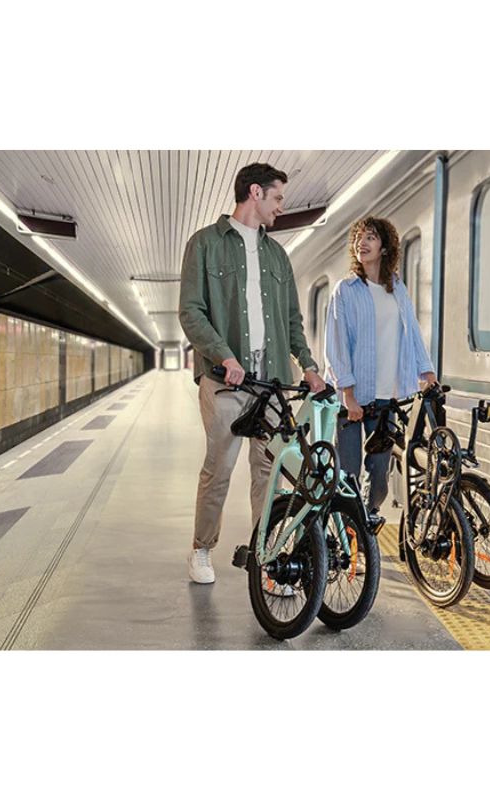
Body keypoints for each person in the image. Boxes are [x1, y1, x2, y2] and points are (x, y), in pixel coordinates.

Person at [179, 162, 326, 584]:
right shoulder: (205, 244)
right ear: (256, 193)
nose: (282, 207)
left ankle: (267, 553)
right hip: (225, 379)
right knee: (219, 467)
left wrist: (309, 366)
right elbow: (191, 310)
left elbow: (293, 320)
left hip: (273, 380)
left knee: (270, 470)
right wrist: (224, 355)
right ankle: (202, 549)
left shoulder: (278, 255)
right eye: (278, 197)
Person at [324, 216, 436, 524]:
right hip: (354, 398)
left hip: (387, 397)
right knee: (347, 473)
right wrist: (347, 393)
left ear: (385, 247)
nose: (363, 242)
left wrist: (426, 370)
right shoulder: (345, 290)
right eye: (360, 237)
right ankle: (347, 534)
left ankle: (367, 515)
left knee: (380, 476)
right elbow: (336, 344)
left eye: (371, 237)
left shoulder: (397, 288)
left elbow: (411, 331)